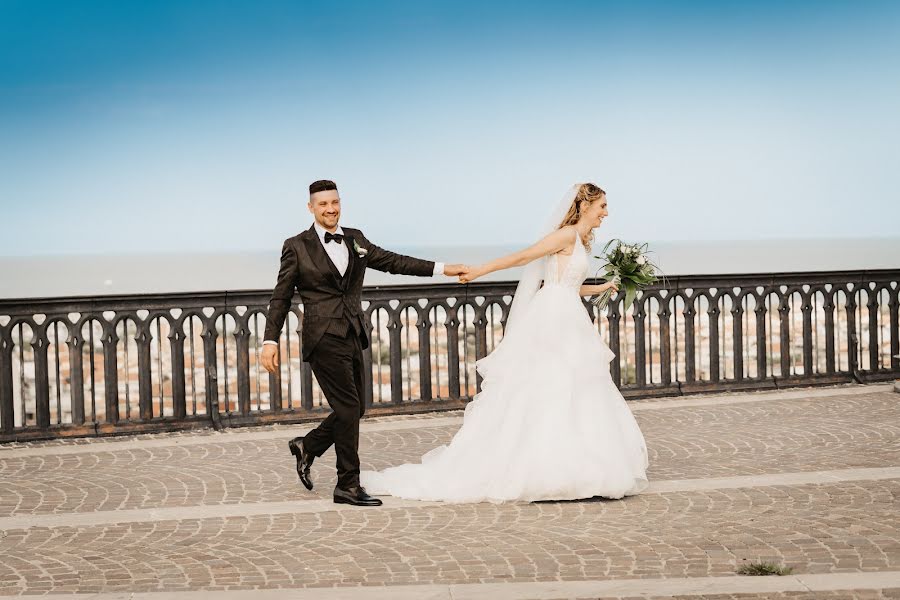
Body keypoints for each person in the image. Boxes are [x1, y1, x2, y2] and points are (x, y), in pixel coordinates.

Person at [360, 183, 650, 503]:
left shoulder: (580, 241)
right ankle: (543, 468)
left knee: (574, 386)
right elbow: (524, 257)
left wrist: (604, 287)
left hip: (567, 312)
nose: (606, 213)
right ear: (584, 206)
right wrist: (480, 270)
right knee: (549, 384)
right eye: (602, 206)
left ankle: (575, 465)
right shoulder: (565, 235)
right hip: (552, 319)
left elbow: (567, 286)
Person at [261, 179, 469, 507]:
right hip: (322, 338)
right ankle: (347, 484)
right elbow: (281, 296)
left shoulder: (355, 239)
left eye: (335, 202)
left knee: (356, 409)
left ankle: (308, 446)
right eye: (323, 204)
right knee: (346, 409)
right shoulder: (296, 246)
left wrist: (443, 268)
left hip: (353, 334)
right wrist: (269, 340)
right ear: (310, 208)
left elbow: (393, 262)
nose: (330, 209)